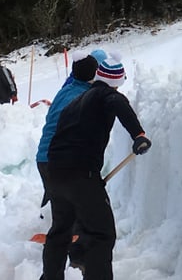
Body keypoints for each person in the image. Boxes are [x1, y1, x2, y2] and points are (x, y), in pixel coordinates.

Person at [41, 54, 151, 280]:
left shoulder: (75, 101)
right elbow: (118, 103)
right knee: (101, 234)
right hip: (80, 173)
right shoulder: (106, 95)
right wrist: (138, 135)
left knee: (60, 232)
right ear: (116, 82)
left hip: (56, 173)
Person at [36, 50, 105, 270]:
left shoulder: (66, 89)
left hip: (44, 158)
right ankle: (79, 256)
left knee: (63, 214)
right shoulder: (84, 97)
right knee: (79, 212)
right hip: (61, 160)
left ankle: (56, 267)